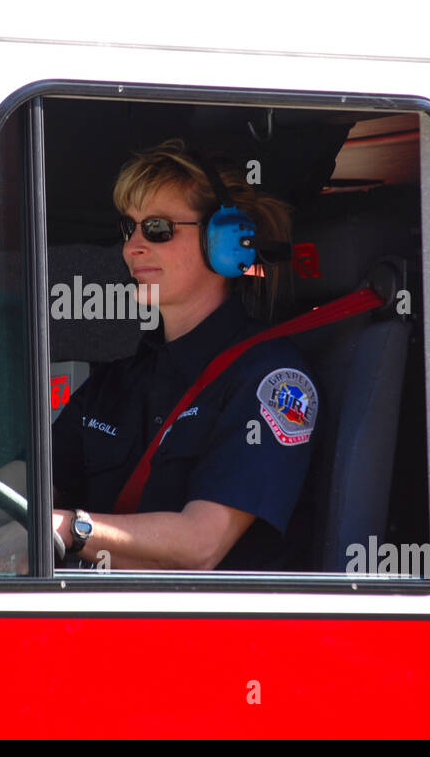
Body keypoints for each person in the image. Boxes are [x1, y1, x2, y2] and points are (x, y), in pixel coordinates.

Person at [50, 138, 319, 571]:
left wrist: (67, 529)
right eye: (128, 228)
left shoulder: (273, 380)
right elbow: (21, 485)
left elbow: (201, 544)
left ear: (226, 242)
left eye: (157, 228)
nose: (132, 247)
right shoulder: (116, 381)